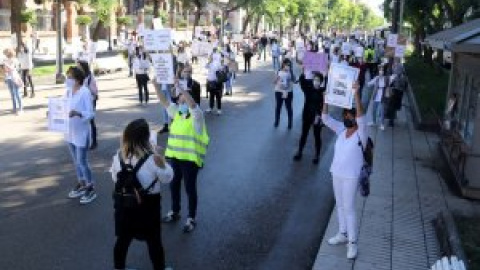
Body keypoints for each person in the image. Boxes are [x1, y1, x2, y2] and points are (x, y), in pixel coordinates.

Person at [110, 119, 174, 270]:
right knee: (154, 241)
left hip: (125, 205)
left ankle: (119, 267)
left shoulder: (119, 156)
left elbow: (114, 178)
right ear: (146, 138)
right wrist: (162, 162)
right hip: (148, 206)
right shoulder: (153, 158)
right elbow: (167, 178)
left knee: (123, 240)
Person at [153, 80, 209, 233]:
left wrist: (183, 90)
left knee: (190, 189)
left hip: (190, 160)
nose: (181, 100)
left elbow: (192, 105)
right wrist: (155, 84)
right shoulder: (177, 113)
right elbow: (163, 101)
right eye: (179, 99)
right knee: (174, 185)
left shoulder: (197, 116)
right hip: (175, 158)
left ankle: (191, 218)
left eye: (183, 98)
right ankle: (175, 211)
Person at [322, 82, 365, 260]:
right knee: (339, 205)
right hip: (336, 173)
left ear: (355, 117)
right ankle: (342, 233)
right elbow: (325, 118)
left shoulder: (362, 132)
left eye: (349, 115)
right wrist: (325, 100)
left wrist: (356, 94)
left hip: (351, 176)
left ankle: (353, 244)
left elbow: (362, 117)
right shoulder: (342, 129)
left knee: (349, 208)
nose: (346, 118)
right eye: (345, 115)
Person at [64, 66, 97, 204]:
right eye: (67, 76)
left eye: (70, 77)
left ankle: (90, 187)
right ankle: (81, 183)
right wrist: (53, 113)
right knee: (76, 161)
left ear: (77, 79)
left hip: (81, 132)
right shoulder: (67, 91)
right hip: (69, 132)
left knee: (82, 162)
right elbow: (62, 106)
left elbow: (90, 114)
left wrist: (78, 113)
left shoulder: (84, 92)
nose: (68, 79)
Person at [294, 72, 326, 164]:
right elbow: (302, 81)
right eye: (315, 79)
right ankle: (299, 151)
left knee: (317, 136)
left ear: (321, 82)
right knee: (304, 134)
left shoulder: (323, 91)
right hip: (307, 115)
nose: (316, 81)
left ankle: (317, 155)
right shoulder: (308, 89)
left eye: (318, 80)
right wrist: (305, 71)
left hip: (317, 116)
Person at [77, 61, 99, 149]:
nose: (77, 68)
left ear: (83, 67)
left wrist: (86, 91)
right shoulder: (78, 77)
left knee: (91, 120)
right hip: (81, 101)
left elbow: (95, 90)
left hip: (90, 100)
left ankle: (94, 141)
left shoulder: (90, 77)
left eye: (79, 66)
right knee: (81, 120)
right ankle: (82, 140)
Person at [367, 65, 390, 131]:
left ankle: (382, 124)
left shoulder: (386, 78)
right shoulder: (376, 78)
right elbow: (369, 84)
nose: (381, 71)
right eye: (380, 70)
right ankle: (373, 122)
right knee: (374, 109)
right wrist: (370, 83)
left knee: (382, 111)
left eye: (382, 70)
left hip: (383, 96)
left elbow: (389, 83)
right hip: (376, 96)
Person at [273, 61, 294, 129]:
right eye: (286, 65)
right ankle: (277, 121)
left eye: (289, 65)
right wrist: (277, 79)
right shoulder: (278, 71)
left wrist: (291, 72)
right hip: (279, 92)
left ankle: (290, 123)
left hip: (288, 92)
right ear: (283, 65)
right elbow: (274, 82)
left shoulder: (290, 72)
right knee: (278, 107)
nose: (287, 66)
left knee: (289, 108)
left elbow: (294, 80)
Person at [2, 48, 23, 115]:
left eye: (6, 53)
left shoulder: (14, 60)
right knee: (12, 94)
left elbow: (15, 68)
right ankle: (14, 108)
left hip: (15, 77)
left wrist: (7, 66)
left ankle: (20, 109)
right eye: (5, 53)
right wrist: (5, 76)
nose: (5, 55)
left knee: (17, 94)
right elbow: (5, 70)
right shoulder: (5, 60)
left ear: (9, 53)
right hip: (9, 78)